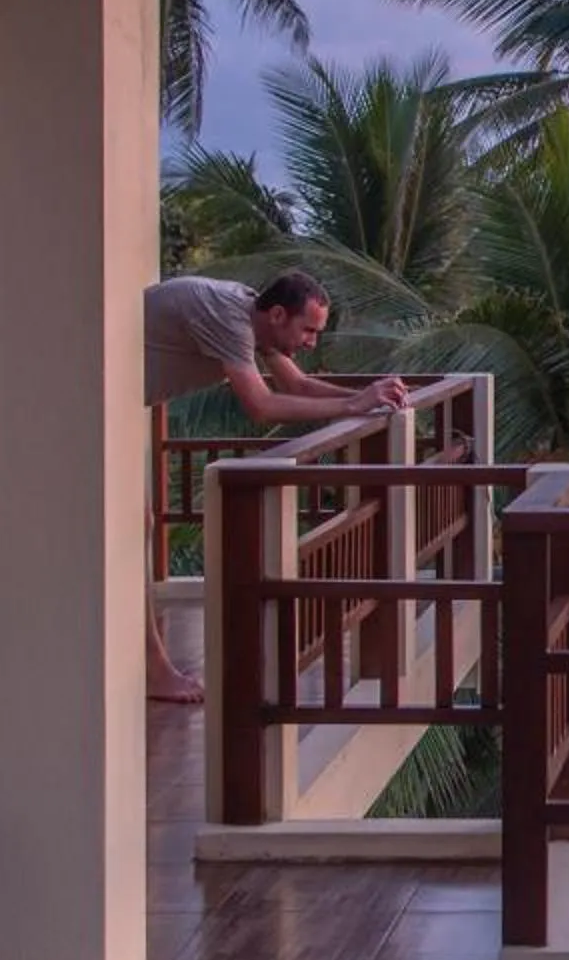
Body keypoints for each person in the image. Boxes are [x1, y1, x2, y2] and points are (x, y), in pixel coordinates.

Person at [144, 269, 406, 702]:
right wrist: (351, 404)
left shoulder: (254, 315)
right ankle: (156, 671)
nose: (311, 342)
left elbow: (296, 384)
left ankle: (155, 668)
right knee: (137, 529)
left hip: (105, 401)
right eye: (309, 330)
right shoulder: (227, 316)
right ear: (279, 314)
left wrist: (366, 398)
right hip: (85, 395)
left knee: (141, 526)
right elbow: (261, 406)